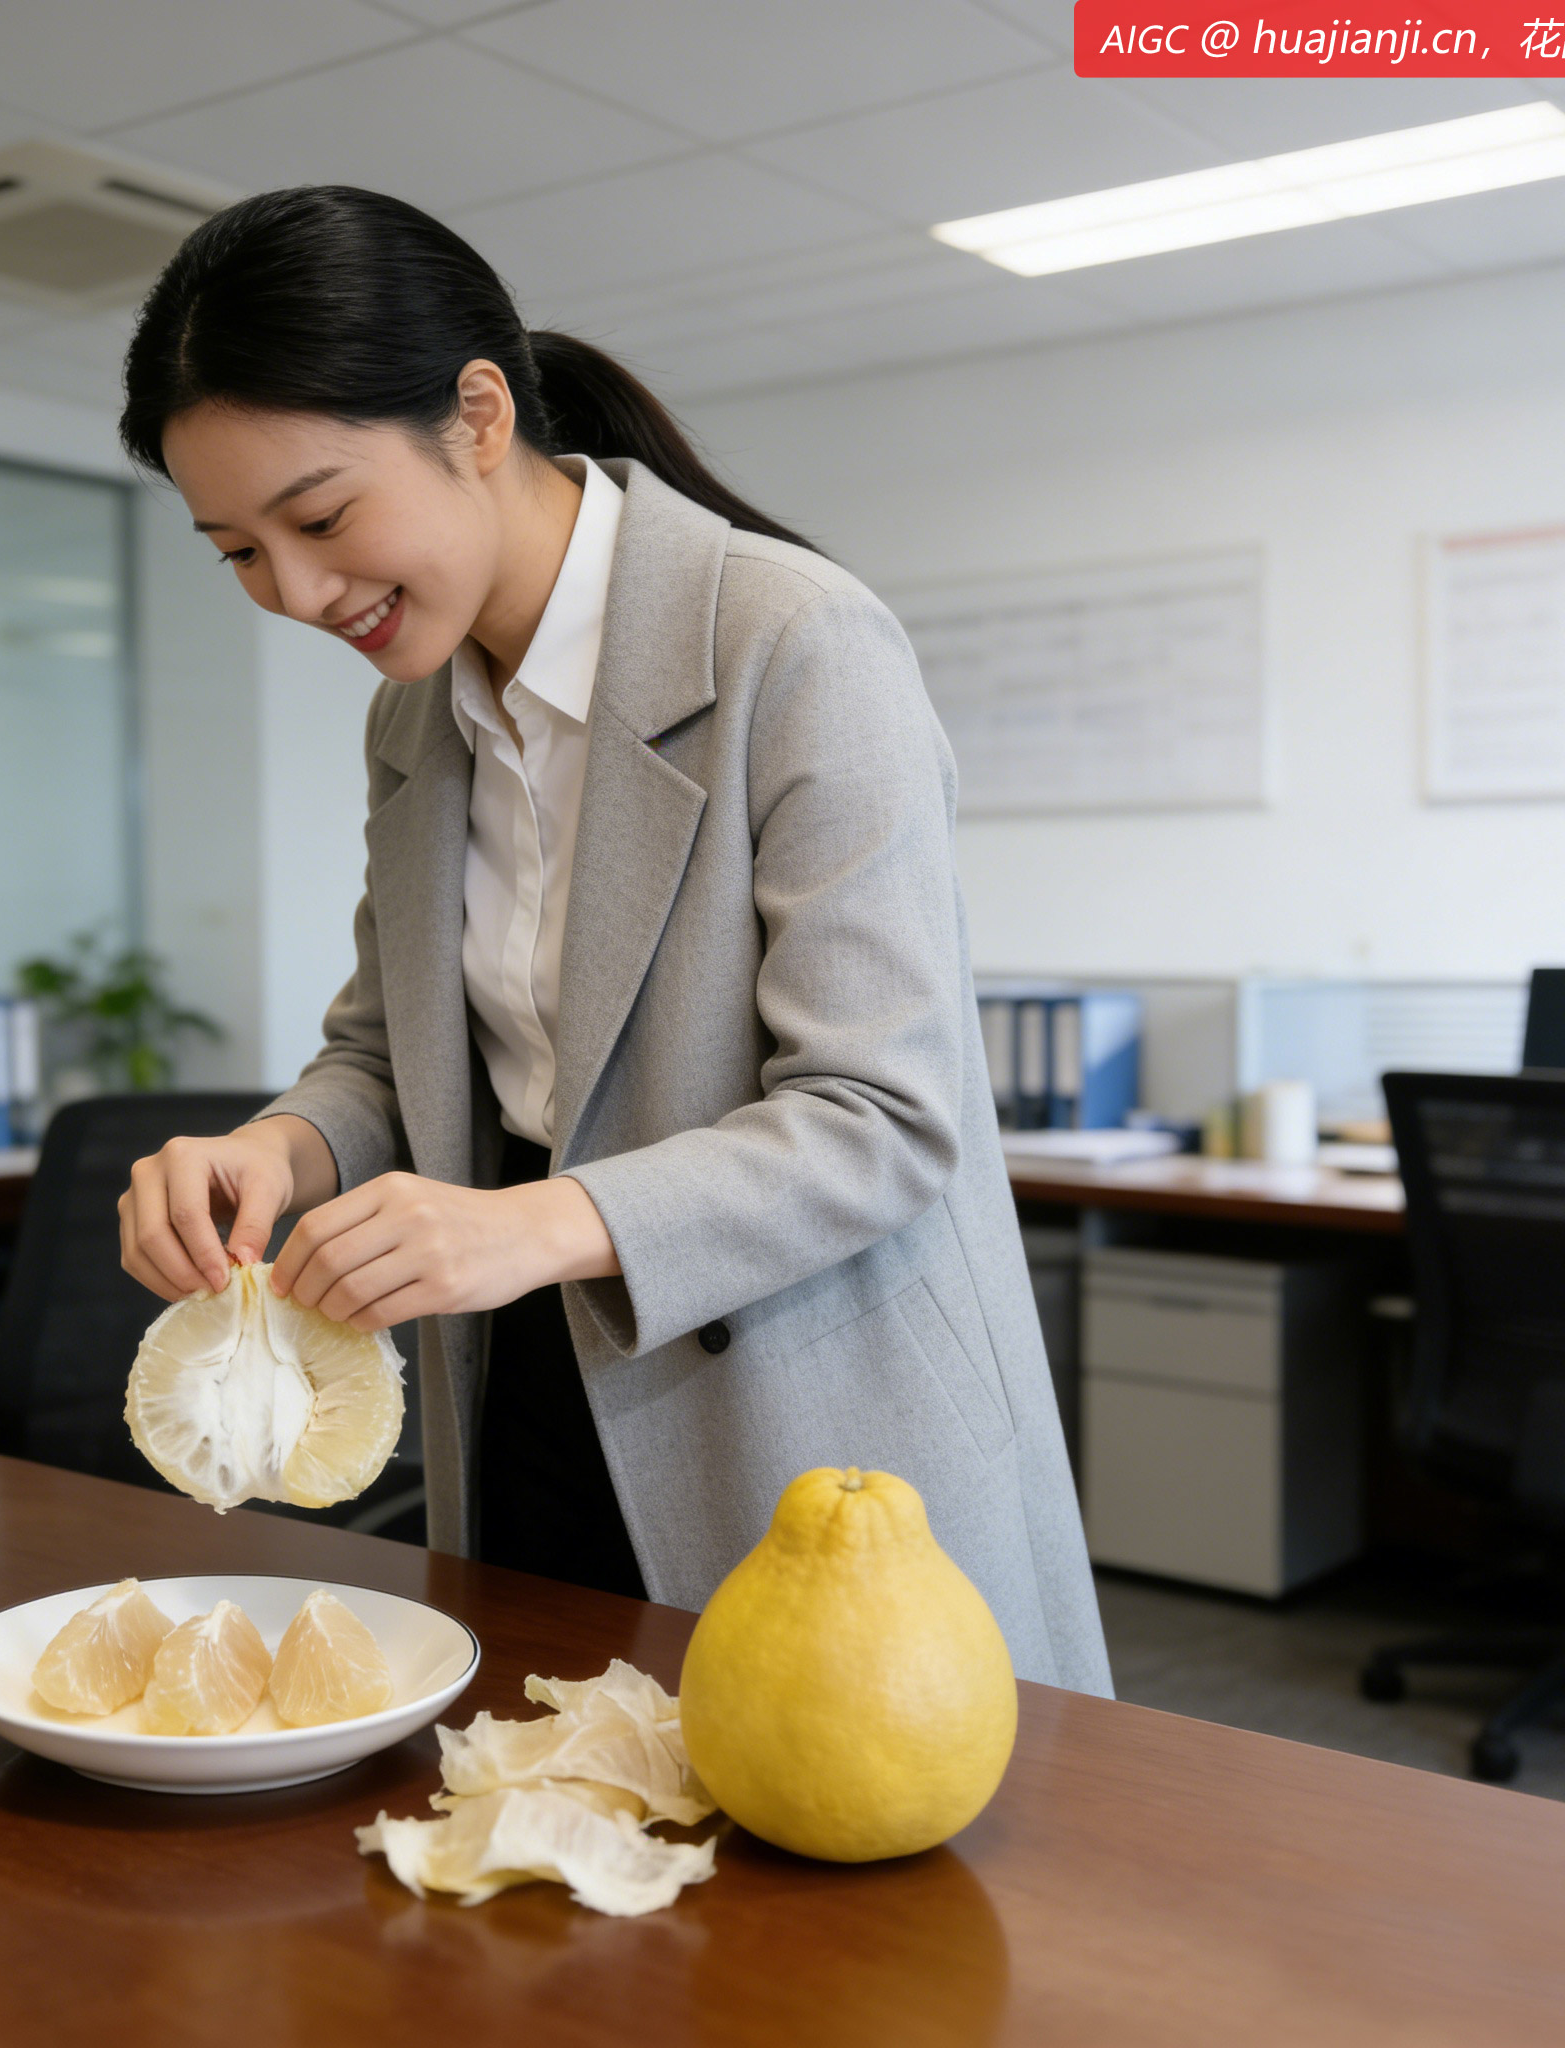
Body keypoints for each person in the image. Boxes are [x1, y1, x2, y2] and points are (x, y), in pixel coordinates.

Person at [115, 184, 1111, 1696]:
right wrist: (279, 1148)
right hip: (523, 1376)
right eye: (236, 551)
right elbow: (387, 1050)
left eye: (319, 518)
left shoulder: (791, 641)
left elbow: (886, 1117)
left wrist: (527, 1224)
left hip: (793, 1398)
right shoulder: (417, 715)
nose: (300, 594)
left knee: (824, 1881)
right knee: (545, 1843)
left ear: (478, 414)